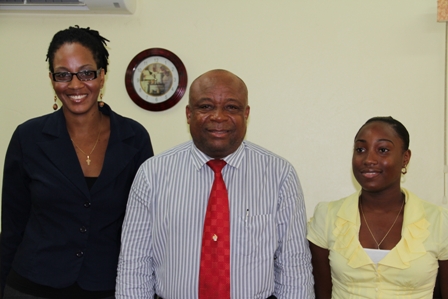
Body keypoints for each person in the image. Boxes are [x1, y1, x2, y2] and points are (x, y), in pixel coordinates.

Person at [115, 69, 314, 299]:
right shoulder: (152, 175)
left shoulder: (280, 176)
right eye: (206, 106)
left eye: (231, 107)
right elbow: (134, 266)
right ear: (189, 114)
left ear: (246, 114)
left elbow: (294, 268)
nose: (218, 117)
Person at [0, 26, 154, 299]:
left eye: (86, 72)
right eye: (63, 74)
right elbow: (12, 226)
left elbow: (145, 228)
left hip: (108, 287)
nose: (74, 84)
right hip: (32, 287)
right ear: (51, 79)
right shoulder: (28, 137)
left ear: (102, 75)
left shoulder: (134, 138)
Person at [307, 116, 448, 299]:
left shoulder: (439, 221)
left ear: (405, 158)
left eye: (382, 150)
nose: (368, 159)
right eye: (360, 149)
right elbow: (321, 292)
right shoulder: (327, 216)